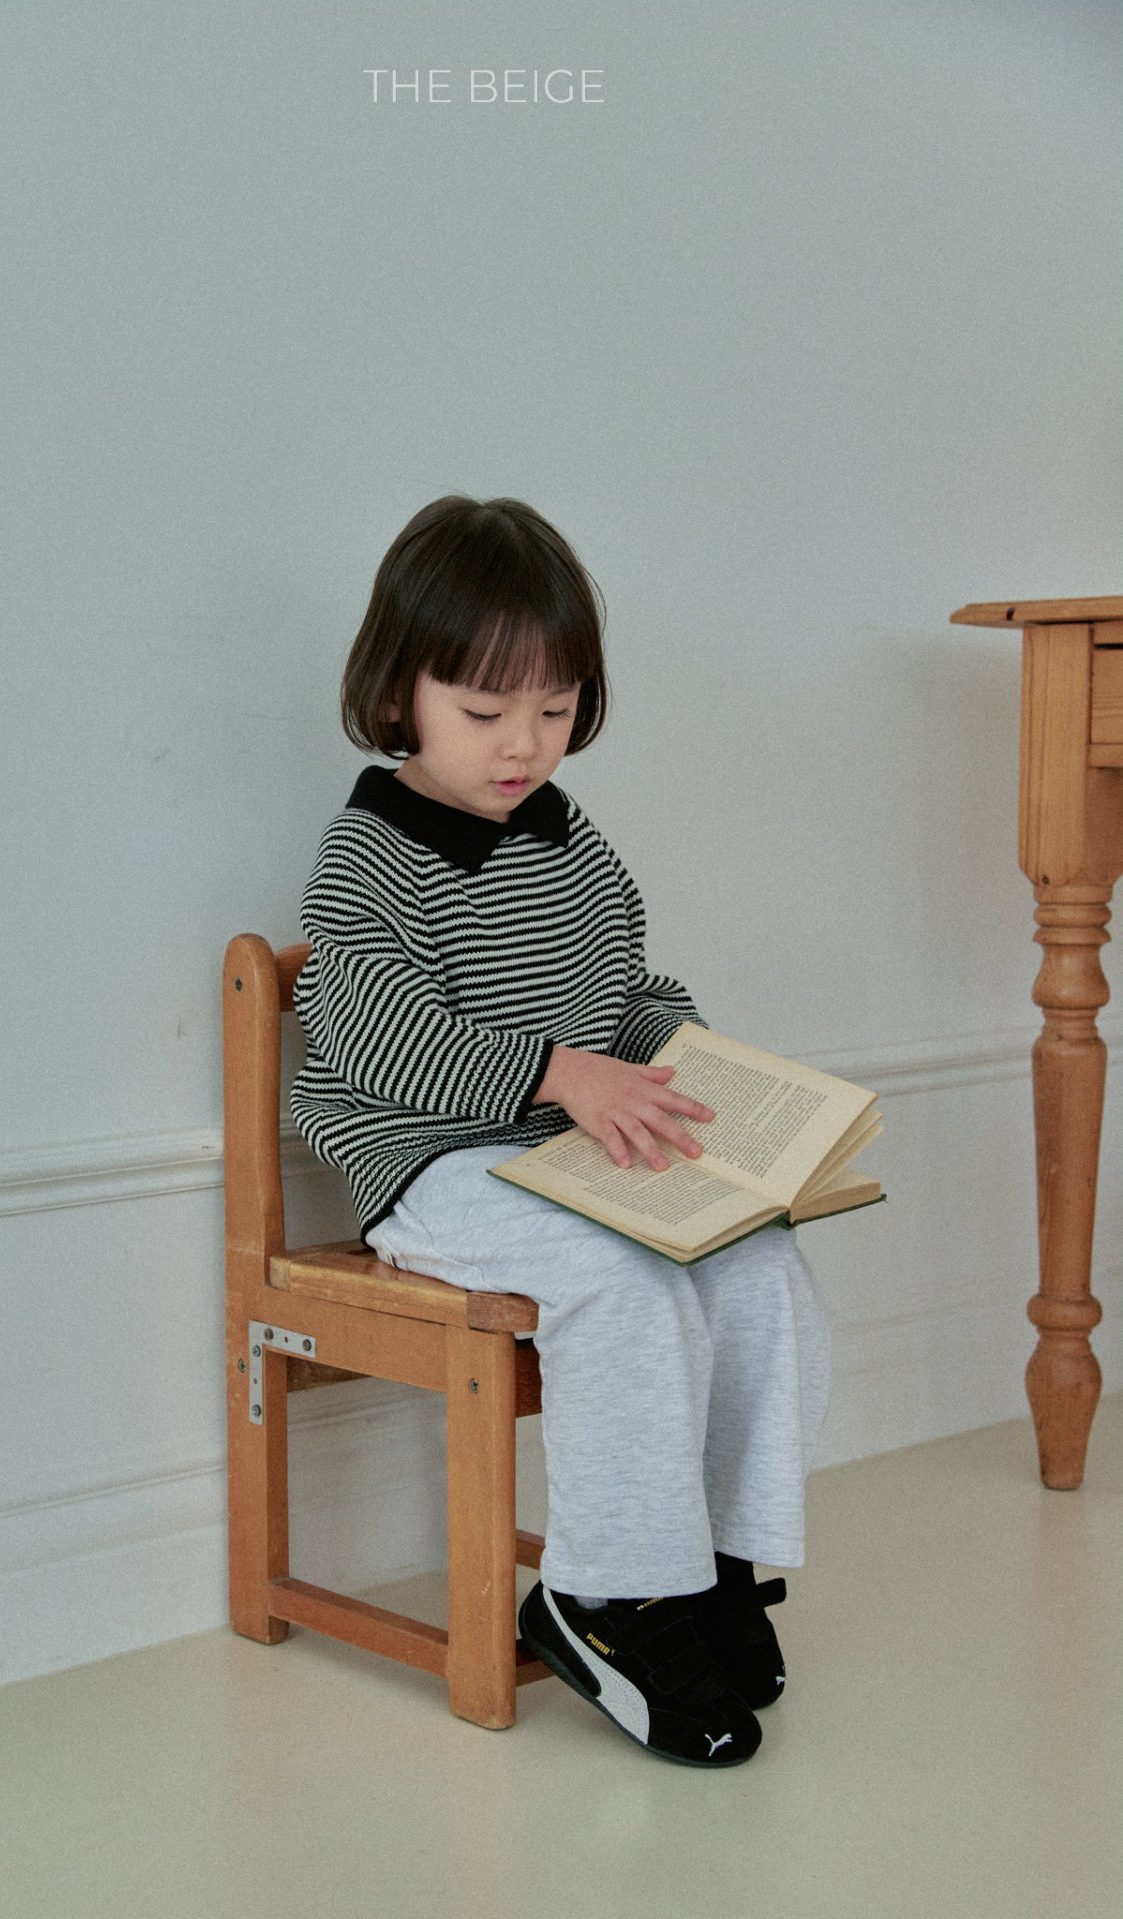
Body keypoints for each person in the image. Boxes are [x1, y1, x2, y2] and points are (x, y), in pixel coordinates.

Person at [289, 495, 831, 1768]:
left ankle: (710, 1562)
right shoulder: (366, 856)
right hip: (430, 1163)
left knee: (756, 1258)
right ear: (399, 693)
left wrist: (692, 1063)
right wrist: (556, 1073)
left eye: (552, 706)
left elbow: (621, 991)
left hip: (555, 1147)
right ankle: (605, 1595)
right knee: (622, 1281)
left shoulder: (572, 843)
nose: (523, 742)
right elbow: (370, 1033)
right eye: (485, 711)